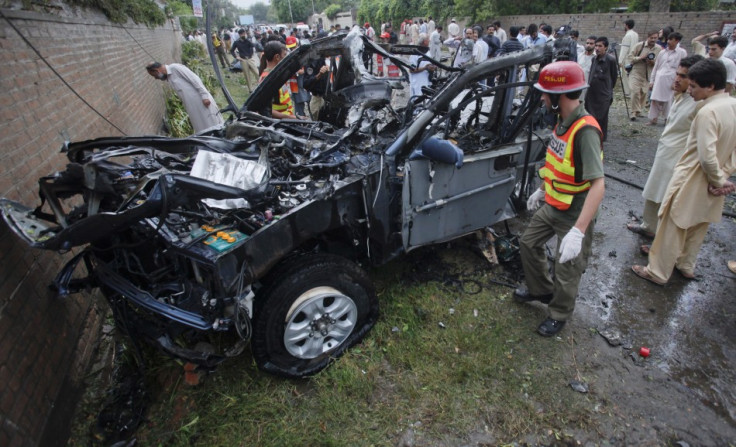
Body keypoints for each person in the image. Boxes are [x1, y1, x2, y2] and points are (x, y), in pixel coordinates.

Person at [514, 61, 605, 337]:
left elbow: (598, 184)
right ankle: (541, 290)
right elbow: (556, 161)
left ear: (559, 96)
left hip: (574, 213)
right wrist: (542, 189)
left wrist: (579, 230)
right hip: (553, 203)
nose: (542, 98)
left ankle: (559, 314)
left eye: (545, 93)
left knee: (568, 268)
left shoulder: (585, 130)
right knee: (528, 243)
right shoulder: (561, 121)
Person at [632, 59, 736, 285]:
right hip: (715, 181)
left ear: (710, 86)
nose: (690, 90)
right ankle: (686, 264)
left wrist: (717, 179)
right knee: (699, 225)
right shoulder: (732, 106)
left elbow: (706, 154)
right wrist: (724, 176)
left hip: (694, 177)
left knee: (672, 225)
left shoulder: (707, 111)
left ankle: (657, 271)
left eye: (694, 86)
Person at [627, 55, 704, 239]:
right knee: (653, 192)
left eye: (683, 77)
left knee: (667, 200)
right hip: (664, 154)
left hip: (678, 160)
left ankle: (660, 240)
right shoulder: (680, 97)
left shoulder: (699, 104)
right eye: (677, 74)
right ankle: (648, 226)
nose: (677, 79)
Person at [145, 62, 223, 133]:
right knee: (202, 128)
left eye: (155, 76)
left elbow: (195, 79)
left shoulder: (175, 68)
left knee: (212, 125)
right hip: (193, 107)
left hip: (202, 102)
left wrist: (204, 96)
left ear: (157, 71)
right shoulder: (170, 77)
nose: (156, 78)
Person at [647, 32, 686, 125]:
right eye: (668, 39)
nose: (668, 42)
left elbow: (683, 68)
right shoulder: (662, 52)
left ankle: (667, 119)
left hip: (671, 79)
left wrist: (676, 81)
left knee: (668, 100)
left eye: (671, 40)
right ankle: (653, 118)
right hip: (659, 79)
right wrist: (652, 81)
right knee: (654, 99)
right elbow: (656, 67)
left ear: (677, 41)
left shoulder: (681, 53)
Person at [585, 37, 617, 141]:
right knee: (590, 116)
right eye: (596, 46)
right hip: (592, 93)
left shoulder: (610, 60)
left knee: (602, 118)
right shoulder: (594, 59)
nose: (597, 48)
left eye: (600, 46)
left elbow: (613, 77)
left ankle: (600, 138)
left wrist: (608, 91)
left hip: (603, 94)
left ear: (606, 47)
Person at [627, 30, 661, 120]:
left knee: (644, 93)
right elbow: (630, 57)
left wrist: (651, 61)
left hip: (648, 74)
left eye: (655, 38)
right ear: (648, 37)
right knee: (635, 91)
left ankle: (639, 110)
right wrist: (640, 58)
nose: (653, 40)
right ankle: (633, 112)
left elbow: (659, 63)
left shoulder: (659, 49)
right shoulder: (639, 45)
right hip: (636, 72)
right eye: (651, 38)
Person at [259, 41, 295, 119]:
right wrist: (289, 117)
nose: (286, 58)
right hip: (279, 123)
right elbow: (263, 109)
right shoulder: (267, 79)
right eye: (284, 55)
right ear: (277, 57)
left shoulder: (276, 75)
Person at [231, 28, 259, 94]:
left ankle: (260, 84)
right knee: (247, 75)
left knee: (257, 73)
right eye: (242, 34)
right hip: (243, 59)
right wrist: (237, 57)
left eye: (244, 33)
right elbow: (232, 50)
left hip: (250, 58)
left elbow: (253, 45)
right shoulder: (237, 42)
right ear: (239, 34)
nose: (243, 35)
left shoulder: (247, 40)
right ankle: (250, 89)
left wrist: (246, 39)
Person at [303, 52, 329, 120]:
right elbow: (306, 83)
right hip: (316, 98)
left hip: (328, 98)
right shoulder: (310, 61)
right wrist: (319, 75)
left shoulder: (324, 59)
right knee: (313, 122)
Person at [409, 33, 435, 100]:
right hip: (417, 83)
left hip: (426, 82)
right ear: (424, 41)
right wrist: (425, 68)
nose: (429, 41)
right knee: (417, 102)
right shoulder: (414, 54)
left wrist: (432, 68)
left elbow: (431, 65)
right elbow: (411, 70)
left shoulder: (428, 52)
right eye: (428, 39)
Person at [618, 19, 639, 98]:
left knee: (625, 76)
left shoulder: (628, 35)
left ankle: (628, 92)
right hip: (633, 57)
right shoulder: (635, 34)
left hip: (627, 58)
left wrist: (620, 60)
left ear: (626, 25)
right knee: (631, 75)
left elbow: (624, 49)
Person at [577, 36, 596, 102]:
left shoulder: (596, 58)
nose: (588, 45)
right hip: (578, 87)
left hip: (589, 88)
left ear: (595, 45)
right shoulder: (579, 56)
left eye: (591, 44)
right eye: (587, 43)